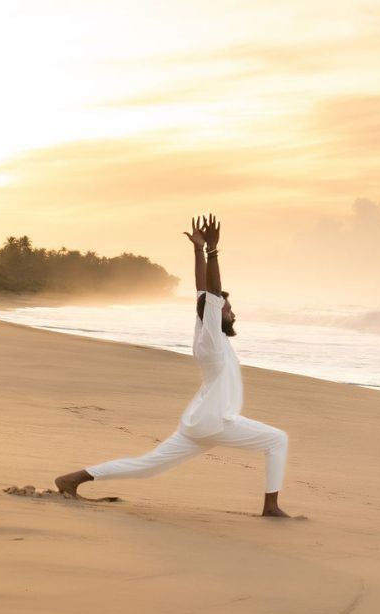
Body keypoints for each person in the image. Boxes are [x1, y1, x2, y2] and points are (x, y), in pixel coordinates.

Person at [54, 215, 291, 517]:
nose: (234, 314)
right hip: (216, 422)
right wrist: (212, 251)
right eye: (229, 310)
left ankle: (73, 479)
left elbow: (203, 292)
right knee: (277, 439)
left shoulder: (209, 332)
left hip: (198, 422)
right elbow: (211, 295)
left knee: (148, 466)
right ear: (216, 314)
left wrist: (197, 250)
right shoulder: (211, 340)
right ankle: (271, 507)